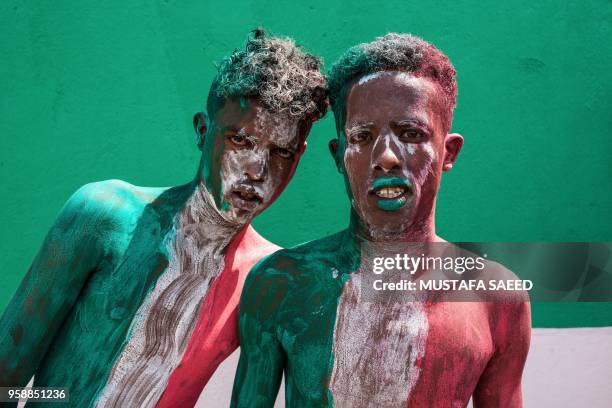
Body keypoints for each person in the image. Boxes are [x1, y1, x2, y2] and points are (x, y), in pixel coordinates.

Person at [0, 29, 327, 408]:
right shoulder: (104, 215)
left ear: (298, 157)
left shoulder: (269, 279)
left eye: (280, 152)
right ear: (203, 132)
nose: (257, 170)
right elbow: (7, 377)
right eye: (241, 141)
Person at [231, 33, 531, 407]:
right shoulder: (280, 283)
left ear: (447, 152)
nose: (386, 156)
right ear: (339, 155)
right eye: (363, 135)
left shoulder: (496, 297)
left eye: (410, 133)